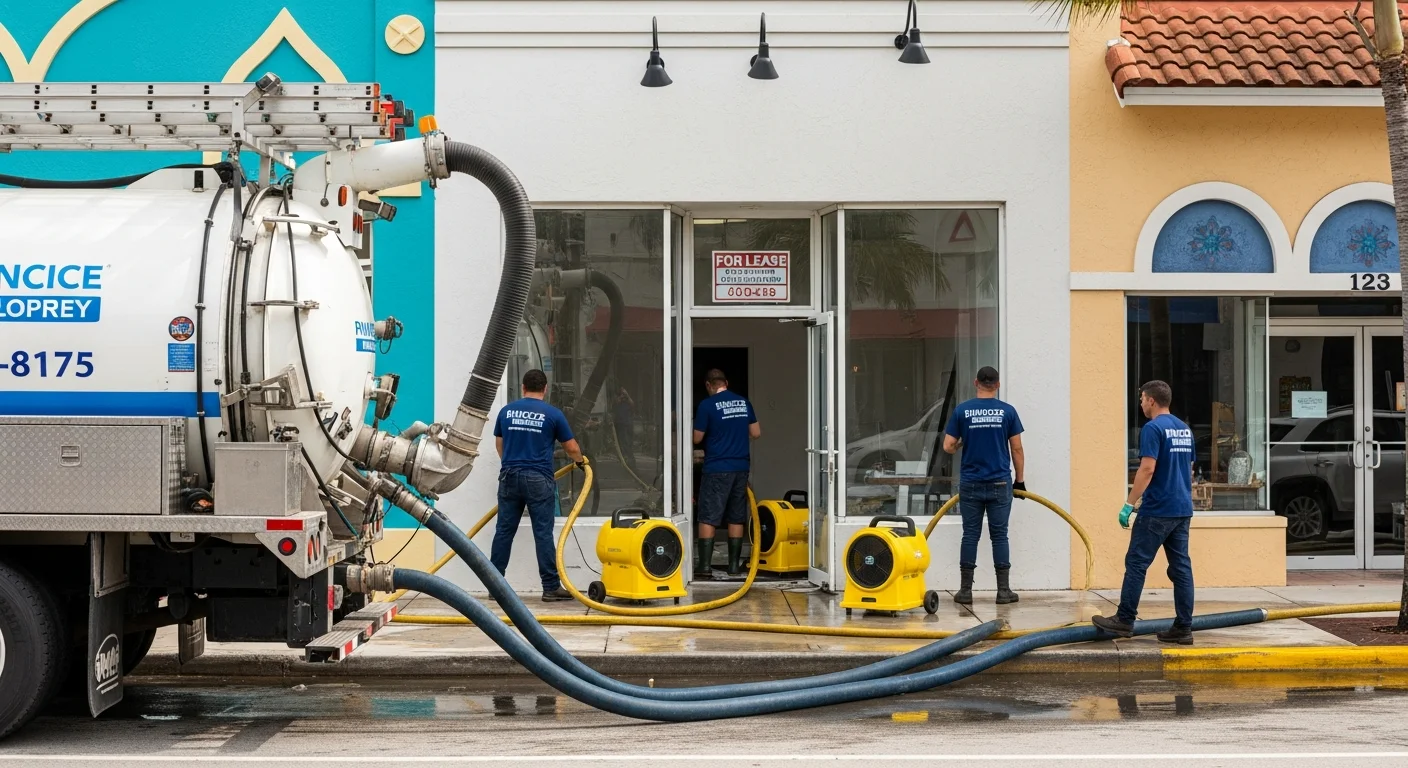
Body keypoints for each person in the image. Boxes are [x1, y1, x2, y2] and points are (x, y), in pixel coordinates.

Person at [1092, 380, 1196, 645]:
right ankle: (1183, 628)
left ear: (1151, 400)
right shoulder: (1184, 429)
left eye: (1141, 399)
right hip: (1182, 509)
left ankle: (1124, 619)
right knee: (1181, 568)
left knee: (1137, 563)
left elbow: (1147, 469)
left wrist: (1129, 503)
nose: (1140, 404)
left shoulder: (1152, 428)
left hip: (1157, 509)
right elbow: (1190, 470)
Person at [491, 369, 583, 602]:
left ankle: (494, 585)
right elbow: (571, 448)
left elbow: (499, 444)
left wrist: (510, 465)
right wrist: (581, 462)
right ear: (545, 388)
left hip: (509, 476)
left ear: (523, 387)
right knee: (542, 533)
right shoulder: (553, 414)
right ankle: (550, 587)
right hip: (539, 479)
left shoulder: (506, 412)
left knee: (504, 531)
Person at [942, 366, 1025, 606]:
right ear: (997, 385)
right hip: (1000, 482)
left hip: (971, 483)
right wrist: (1020, 481)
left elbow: (948, 446)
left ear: (975, 382)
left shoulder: (962, 411)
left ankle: (965, 591)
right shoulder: (1007, 412)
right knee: (1000, 536)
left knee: (970, 535)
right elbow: (1017, 449)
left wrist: (960, 445)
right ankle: (1004, 591)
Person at [692, 369, 760, 577]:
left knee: (708, 517)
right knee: (736, 517)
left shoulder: (707, 405)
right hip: (740, 468)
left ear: (708, 385)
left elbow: (696, 438)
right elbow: (756, 433)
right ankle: (733, 566)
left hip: (716, 469)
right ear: (726, 383)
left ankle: (704, 567)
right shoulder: (743, 402)